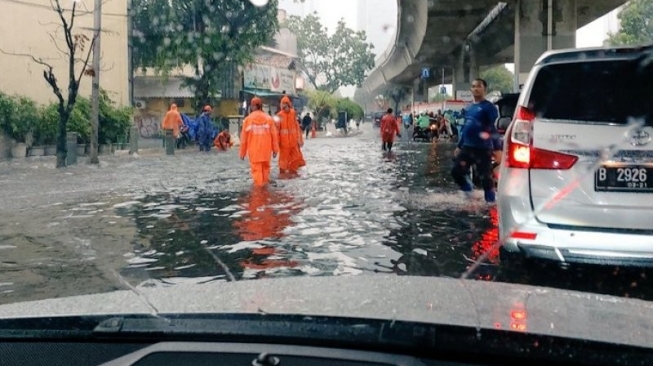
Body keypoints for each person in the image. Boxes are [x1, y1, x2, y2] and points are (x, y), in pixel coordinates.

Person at [451, 78, 501, 203]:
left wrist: (497, 148)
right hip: (467, 147)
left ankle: (490, 203)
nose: (476, 89)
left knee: (485, 178)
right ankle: (469, 192)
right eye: (473, 86)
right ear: (470, 90)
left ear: (485, 89)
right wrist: (459, 145)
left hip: (483, 148)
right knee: (456, 172)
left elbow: (492, 128)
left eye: (479, 86)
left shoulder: (489, 107)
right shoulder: (469, 108)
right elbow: (466, 128)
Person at [239, 97, 280, 187]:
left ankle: (259, 195)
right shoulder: (269, 119)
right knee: (265, 171)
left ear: (253, 106)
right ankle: (265, 192)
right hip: (266, 151)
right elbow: (274, 136)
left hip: (254, 152)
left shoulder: (248, 120)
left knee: (257, 175)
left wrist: (242, 152)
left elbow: (244, 138)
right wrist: (275, 150)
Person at [276, 95, 306, 175]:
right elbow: (277, 130)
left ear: (288, 104)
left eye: (284, 104)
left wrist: (300, 140)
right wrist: (276, 143)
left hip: (293, 143)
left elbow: (297, 128)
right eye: (282, 104)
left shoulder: (293, 114)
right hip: (284, 144)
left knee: (296, 159)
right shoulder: (279, 115)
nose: (283, 106)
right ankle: (283, 175)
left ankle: (292, 173)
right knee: (283, 162)